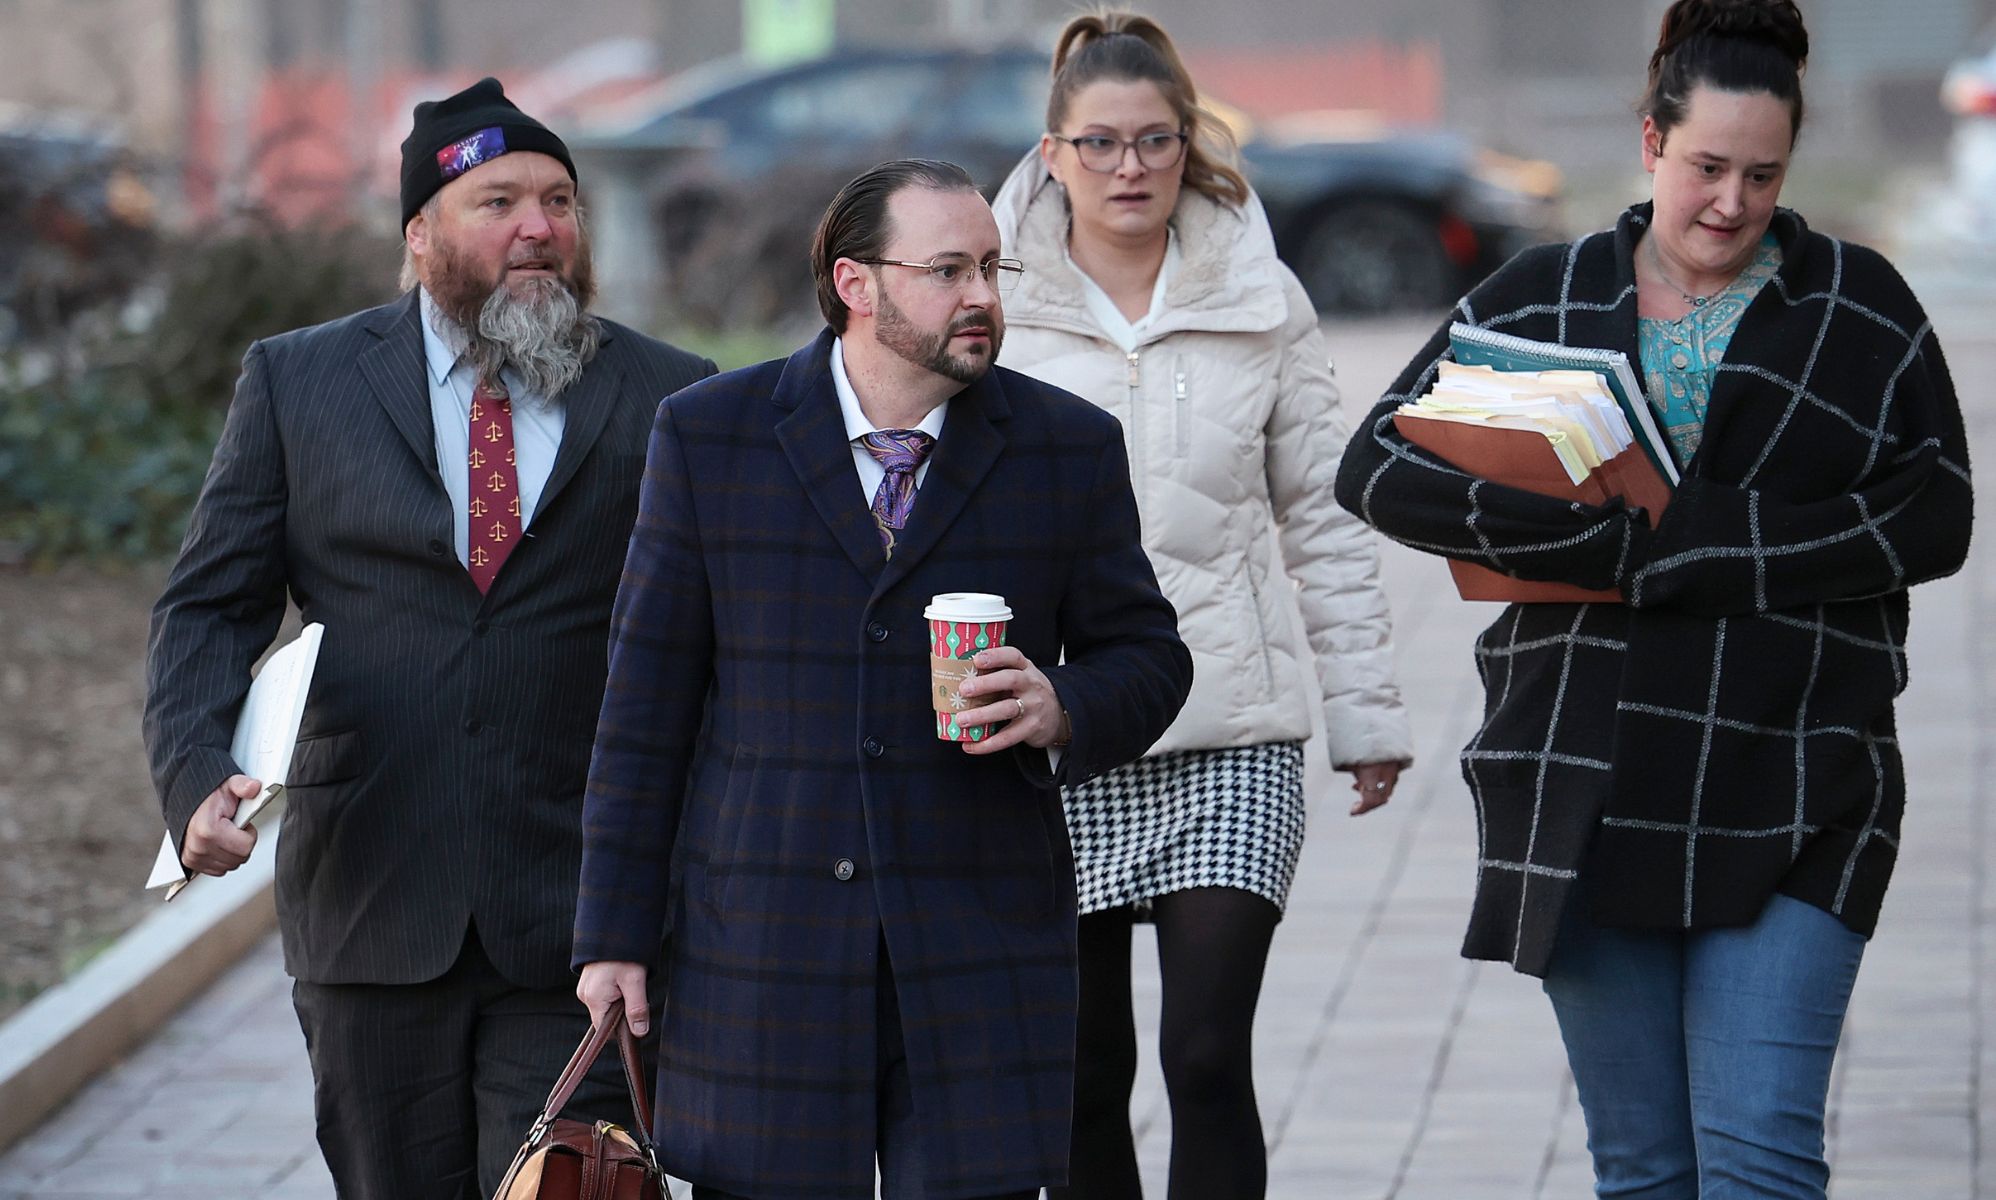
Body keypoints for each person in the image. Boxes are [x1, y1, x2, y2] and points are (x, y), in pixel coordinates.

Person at [1334, 3, 1973, 1196]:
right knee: (1642, 1172)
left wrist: (1717, 547)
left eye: (1763, 175)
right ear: (1648, 141)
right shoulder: (1541, 295)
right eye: (1705, 168)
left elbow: (1933, 518)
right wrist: (1589, 540)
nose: (1730, 202)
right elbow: (1374, 467)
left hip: (1797, 777)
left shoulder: (1860, 310)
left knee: (1762, 1165)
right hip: (1586, 779)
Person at [571, 158, 1194, 1200]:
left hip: (976, 934)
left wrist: (1062, 702)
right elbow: (644, 708)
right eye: (948, 270)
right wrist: (613, 938)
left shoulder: (1064, 448)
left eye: (992, 269)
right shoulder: (712, 436)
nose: (983, 298)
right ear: (855, 283)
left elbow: (1151, 658)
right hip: (764, 939)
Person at [141, 77, 716, 1199]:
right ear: (419, 234)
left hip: (583, 912)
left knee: (570, 1184)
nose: (539, 226)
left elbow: (717, 642)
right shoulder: (300, 382)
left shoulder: (670, 397)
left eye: (559, 200)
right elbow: (209, 607)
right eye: (497, 201)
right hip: (372, 902)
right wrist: (196, 775)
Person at [990, 14, 1414, 1199]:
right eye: (1102, 143)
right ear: (1054, 151)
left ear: (1191, 145)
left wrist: (1365, 714)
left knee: (1205, 1054)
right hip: (1055, 730)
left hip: (1230, 729)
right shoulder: (994, 301)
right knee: (1080, 1072)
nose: (1130, 167)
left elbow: (1321, 516)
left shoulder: (1261, 297)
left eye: (1156, 140)